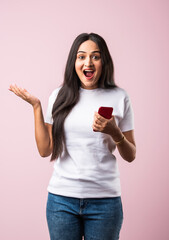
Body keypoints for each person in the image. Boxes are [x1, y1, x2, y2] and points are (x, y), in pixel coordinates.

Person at [9, 32, 136, 240]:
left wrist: (115, 132)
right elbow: (45, 150)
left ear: (104, 61)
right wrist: (36, 106)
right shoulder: (59, 96)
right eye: (81, 56)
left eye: (95, 56)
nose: (89, 62)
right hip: (61, 201)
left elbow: (131, 155)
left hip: (105, 203)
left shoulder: (120, 97)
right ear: (74, 62)